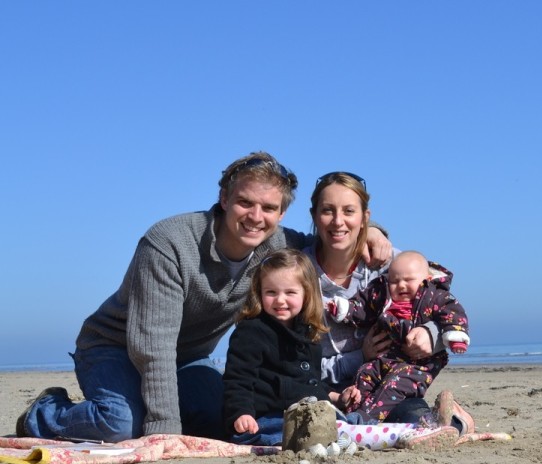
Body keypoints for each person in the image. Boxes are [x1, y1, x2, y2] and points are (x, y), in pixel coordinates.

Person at [16, 152, 391, 443]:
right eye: (246, 202)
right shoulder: (169, 243)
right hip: (114, 347)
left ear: (281, 213)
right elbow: (153, 345)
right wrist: (164, 432)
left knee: (221, 420)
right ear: (225, 197)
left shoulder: (274, 242)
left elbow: (330, 237)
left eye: (269, 208)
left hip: (189, 359)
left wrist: (371, 231)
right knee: (121, 424)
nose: (256, 217)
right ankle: (45, 413)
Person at [303, 172, 475, 444]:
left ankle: (449, 423)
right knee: (317, 420)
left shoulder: (390, 263)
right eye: (327, 211)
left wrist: (430, 335)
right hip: (327, 386)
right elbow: (296, 360)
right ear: (314, 215)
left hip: (387, 381)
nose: (338, 221)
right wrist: (360, 357)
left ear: (365, 217)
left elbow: (443, 305)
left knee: (406, 409)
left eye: (349, 211)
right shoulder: (299, 273)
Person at [222, 249, 357, 445]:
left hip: (308, 411)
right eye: (271, 292)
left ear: (306, 294)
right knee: (280, 435)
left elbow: (309, 381)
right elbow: (238, 380)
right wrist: (241, 413)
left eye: (290, 292)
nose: (280, 300)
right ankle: (348, 435)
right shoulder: (251, 332)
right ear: (259, 292)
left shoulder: (308, 332)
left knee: (348, 420)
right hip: (270, 416)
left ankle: (362, 431)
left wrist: (337, 397)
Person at [328, 250, 470, 424]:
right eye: (395, 281)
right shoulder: (382, 294)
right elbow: (363, 306)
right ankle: (352, 412)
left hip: (417, 366)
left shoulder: (435, 296)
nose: (401, 286)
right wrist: (345, 309)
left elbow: (453, 313)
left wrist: (455, 334)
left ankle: (364, 419)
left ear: (427, 278)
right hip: (384, 359)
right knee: (364, 375)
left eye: (408, 281)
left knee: (394, 386)